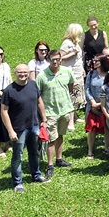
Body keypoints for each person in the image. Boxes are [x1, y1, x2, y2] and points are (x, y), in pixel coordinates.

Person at [0, 64, 48, 192]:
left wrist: (44, 119)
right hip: (18, 129)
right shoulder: (9, 90)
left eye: (25, 72)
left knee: (34, 152)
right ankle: (17, 183)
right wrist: (10, 130)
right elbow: (4, 111)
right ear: (15, 73)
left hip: (34, 125)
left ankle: (36, 175)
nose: (23, 74)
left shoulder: (33, 84)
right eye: (20, 72)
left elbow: (39, 102)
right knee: (18, 156)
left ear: (28, 73)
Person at [36, 50, 75, 180]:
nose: (55, 62)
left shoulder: (67, 72)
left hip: (64, 110)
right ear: (48, 60)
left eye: (57, 59)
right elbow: (38, 96)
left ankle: (59, 159)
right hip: (50, 113)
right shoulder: (42, 77)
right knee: (51, 140)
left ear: (61, 59)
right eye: (53, 59)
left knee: (60, 135)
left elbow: (71, 86)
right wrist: (43, 117)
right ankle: (50, 165)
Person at [59, 23, 86, 130]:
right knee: (72, 97)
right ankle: (70, 122)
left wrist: (82, 69)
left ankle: (75, 116)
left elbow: (78, 59)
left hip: (78, 72)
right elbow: (60, 57)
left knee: (76, 95)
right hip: (70, 74)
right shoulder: (66, 43)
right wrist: (72, 53)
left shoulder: (75, 43)